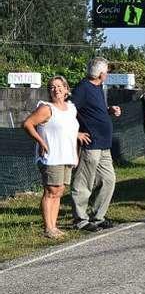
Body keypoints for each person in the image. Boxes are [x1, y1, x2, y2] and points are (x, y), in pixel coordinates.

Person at [21, 76, 79, 239]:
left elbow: (71, 131)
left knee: (59, 190)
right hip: (51, 156)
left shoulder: (71, 108)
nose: (56, 89)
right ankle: (48, 228)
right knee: (51, 190)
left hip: (66, 155)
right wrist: (41, 142)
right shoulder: (46, 108)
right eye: (52, 87)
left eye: (60, 86)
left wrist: (75, 154)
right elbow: (27, 124)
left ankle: (54, 226)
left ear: (66, 89)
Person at [70, 57, 121, 232]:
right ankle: (80, 219)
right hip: (91, 144)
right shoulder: (82, 88)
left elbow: (92, 111)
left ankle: (98, 216)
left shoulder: (98, 87)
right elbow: (68, 110)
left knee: (108, 179)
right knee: (83, 182)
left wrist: (109, 111)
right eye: (106, 71)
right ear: (101, 74)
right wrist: (76, 133)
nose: (107, 74)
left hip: (103, 144)